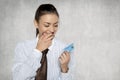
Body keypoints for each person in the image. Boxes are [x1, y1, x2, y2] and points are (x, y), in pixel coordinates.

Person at [12, 4, 74, 80]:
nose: (52, 30)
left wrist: (64, 69)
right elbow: (17, 78)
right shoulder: (22, 47)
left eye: (55, 25)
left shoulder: (64, 49)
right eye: (47, 25)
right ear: (36, 23)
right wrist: (37, 51)